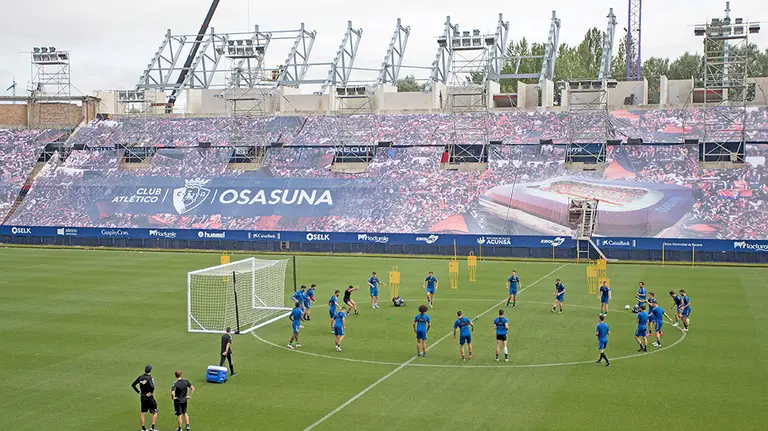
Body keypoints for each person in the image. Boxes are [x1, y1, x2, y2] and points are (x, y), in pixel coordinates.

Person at [131, 364, 158, 431]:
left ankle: (143, 428)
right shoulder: (150, 378)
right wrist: (150, 392)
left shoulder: (140, 377)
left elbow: (133, 385)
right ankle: (152, 427)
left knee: (143, 412)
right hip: (149, 397)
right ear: (150, 370)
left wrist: (138, 392)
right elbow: (152, 386)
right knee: (155, 411)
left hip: (142, 396)